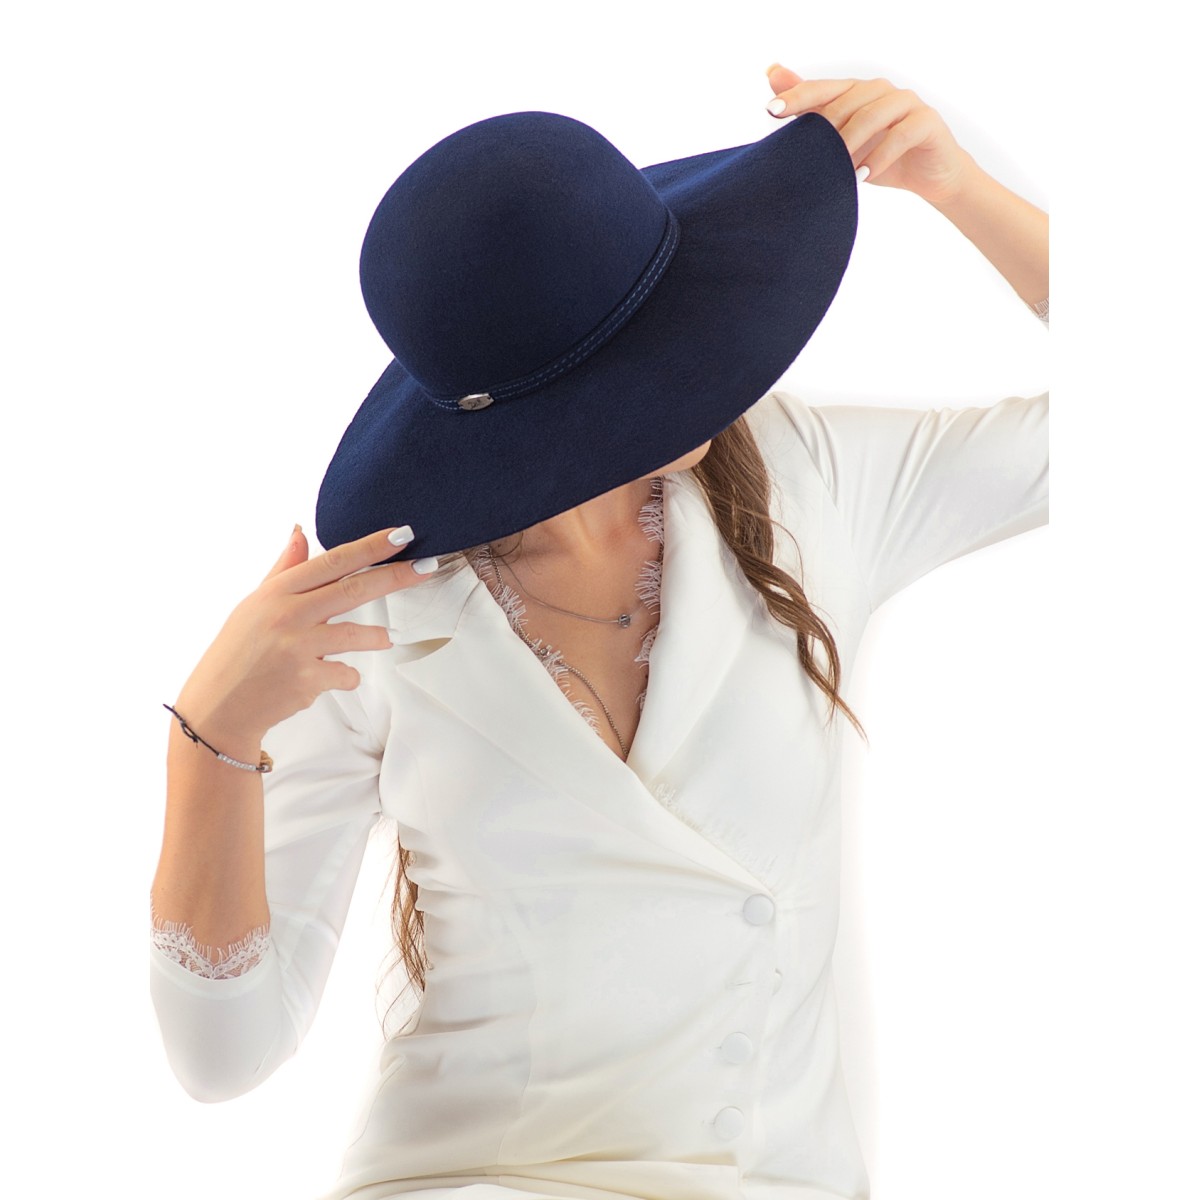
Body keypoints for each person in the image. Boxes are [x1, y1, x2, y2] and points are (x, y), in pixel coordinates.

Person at [148, 65, 1048, 1200]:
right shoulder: (375, 611)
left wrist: (964, 190)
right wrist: (211, 737)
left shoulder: (812, 478)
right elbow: (221, 1056)